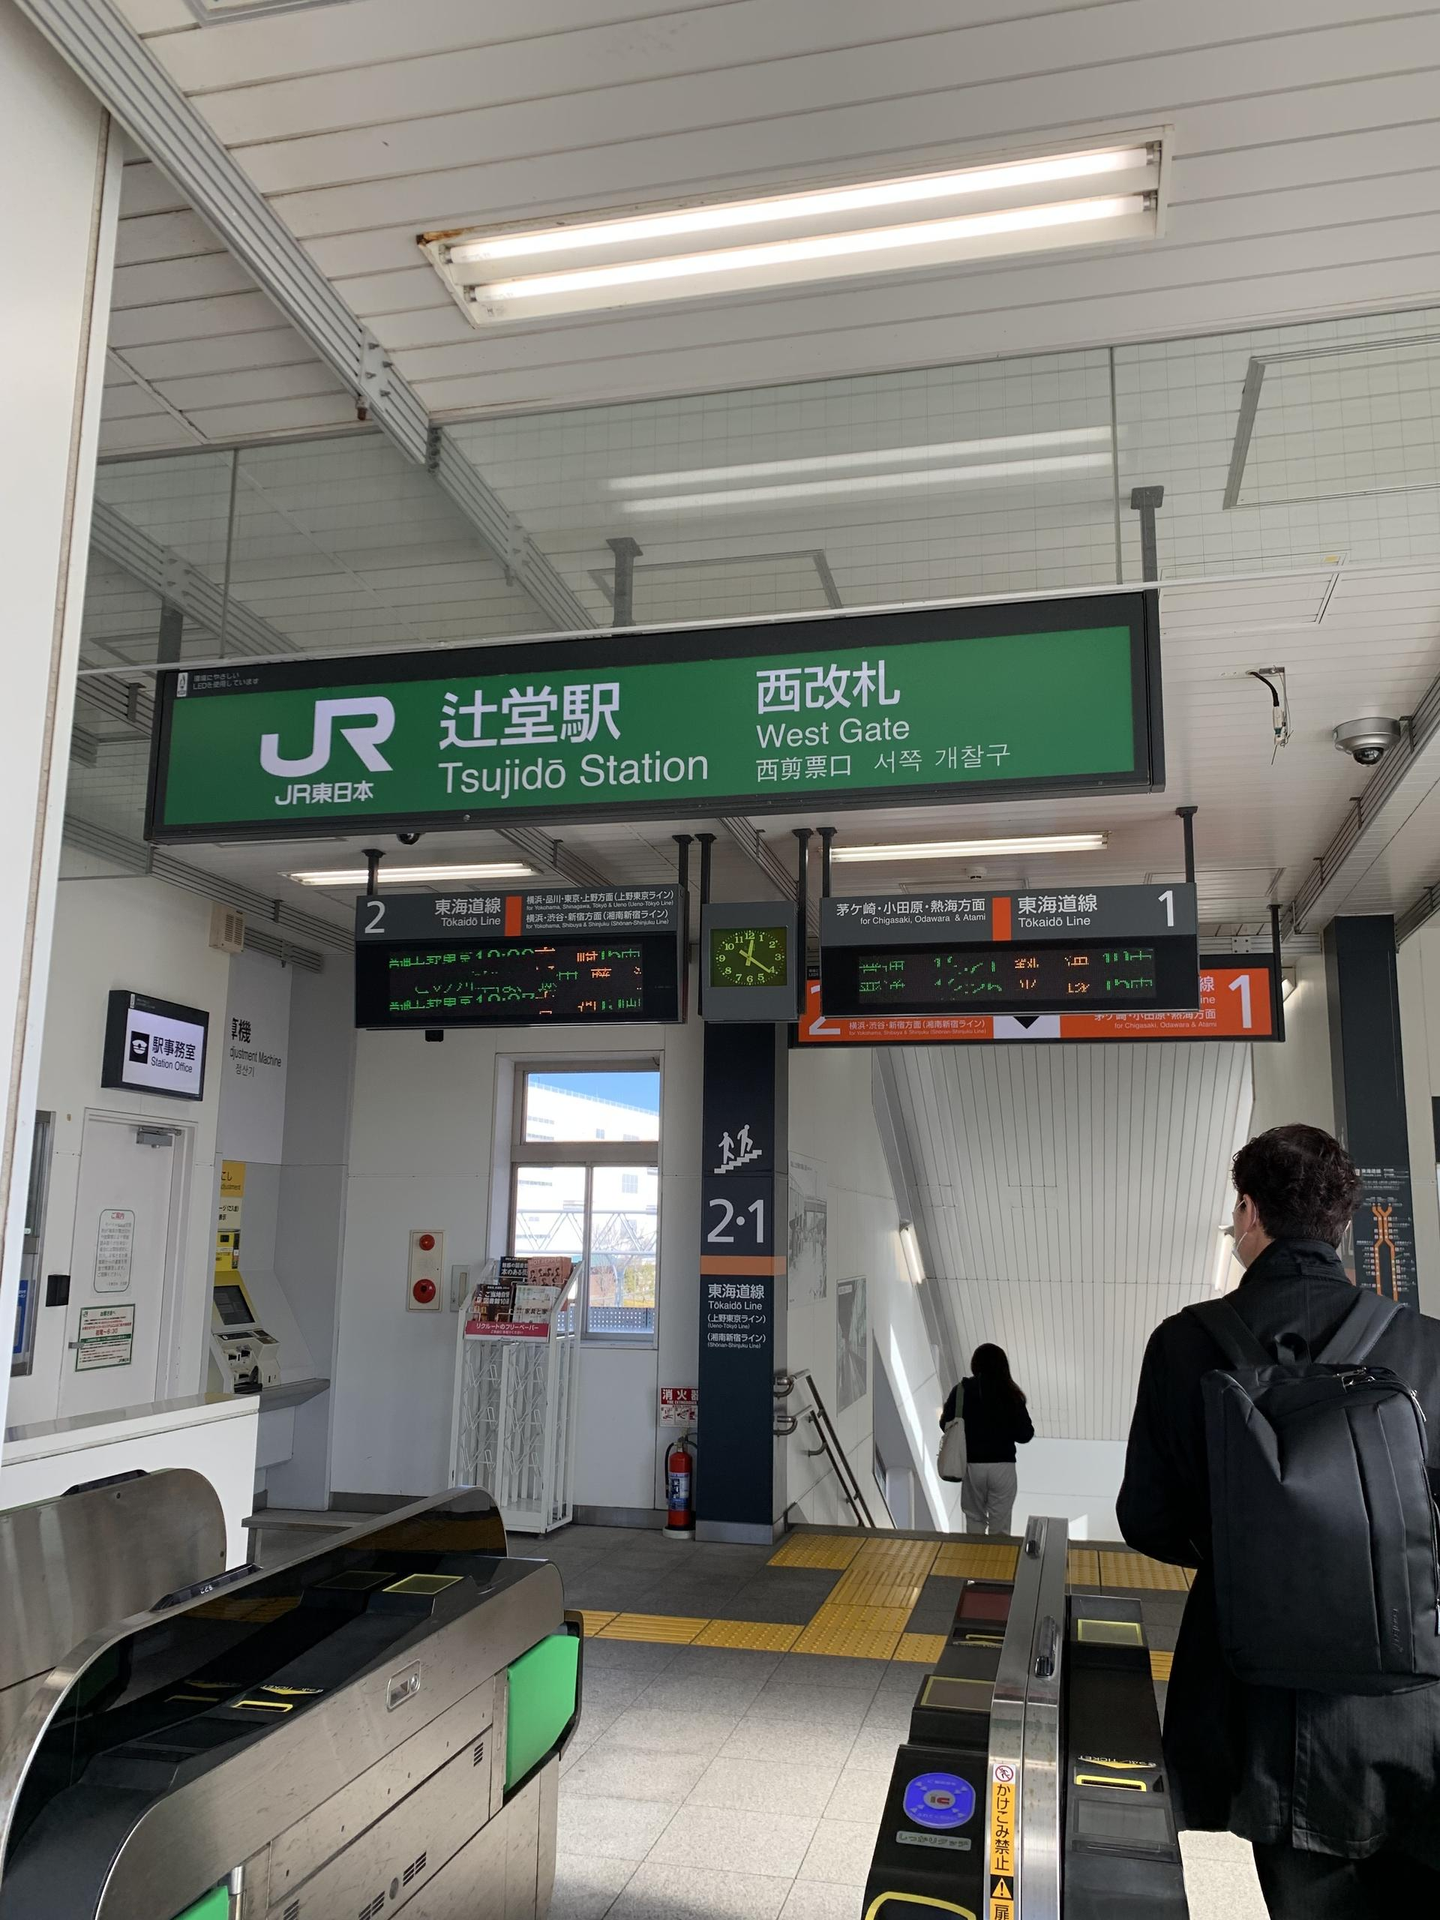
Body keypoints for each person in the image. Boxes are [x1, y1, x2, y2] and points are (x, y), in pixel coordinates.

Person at [1118, 1123, 1440, 1919]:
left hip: (1259, 1697)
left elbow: (1146, 1518)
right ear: (1342, 1225)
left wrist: (1251, 1545)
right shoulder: (1425, 1346)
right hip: (1411, 1692)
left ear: (1251, 1212)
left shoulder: (1184, 1344)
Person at [940, 1343, 1034, 1534]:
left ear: (975, 1364)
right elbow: (1025, 1434)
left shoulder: (961, 1390)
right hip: (1003, 1466)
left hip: (972, 1465)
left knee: (974, 1517)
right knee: (1001, 1523)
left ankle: (974, 1551)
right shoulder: (1010, 1392)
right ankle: (998, 1553)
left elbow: (945, 1424)